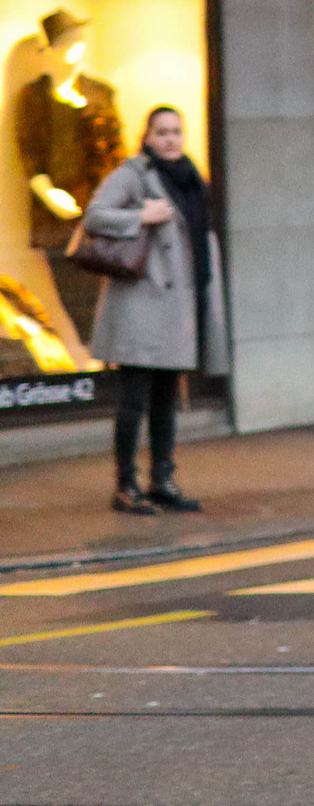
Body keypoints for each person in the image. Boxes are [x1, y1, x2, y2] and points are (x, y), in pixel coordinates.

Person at [81, 106, 227, 515]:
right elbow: (94, 216)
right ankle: (125, 486)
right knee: (134, 400)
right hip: (141, 305)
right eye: (162, 132)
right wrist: (139, 216)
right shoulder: (134, 174)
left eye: (177, 132)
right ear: (146, 137)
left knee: (166, 400)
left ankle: (162, 480)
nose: (171, 140)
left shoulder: (191, 178)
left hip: (180, 304)